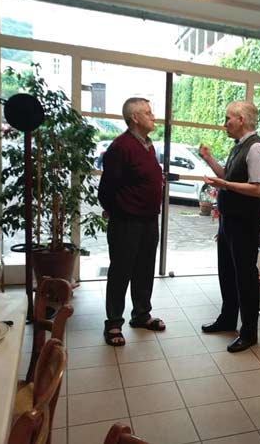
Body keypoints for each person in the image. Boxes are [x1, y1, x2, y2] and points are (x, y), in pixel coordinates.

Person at [198, 100, 260, 353]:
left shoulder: (256, 148)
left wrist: (225, 185)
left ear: (241, 120)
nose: (225, 123)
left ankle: (249, 332)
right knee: (227, 272)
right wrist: (208, 159)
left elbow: (258, 189)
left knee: (245, 278)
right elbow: (227, 177)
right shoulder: (239, 146)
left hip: (244, 224)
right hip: (229, 221)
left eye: (228, 118)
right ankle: (228, 319)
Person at [98, 97, 166, 347]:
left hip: (149, 220)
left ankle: (141, 315)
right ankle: (114, 323)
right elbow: (107, 188)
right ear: (134, 118)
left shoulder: (148, 145)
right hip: (127, 221)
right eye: (148, 112)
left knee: (144, 269)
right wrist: (114, 210)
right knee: (121, 271)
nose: (153, 116)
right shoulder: (121, 147)